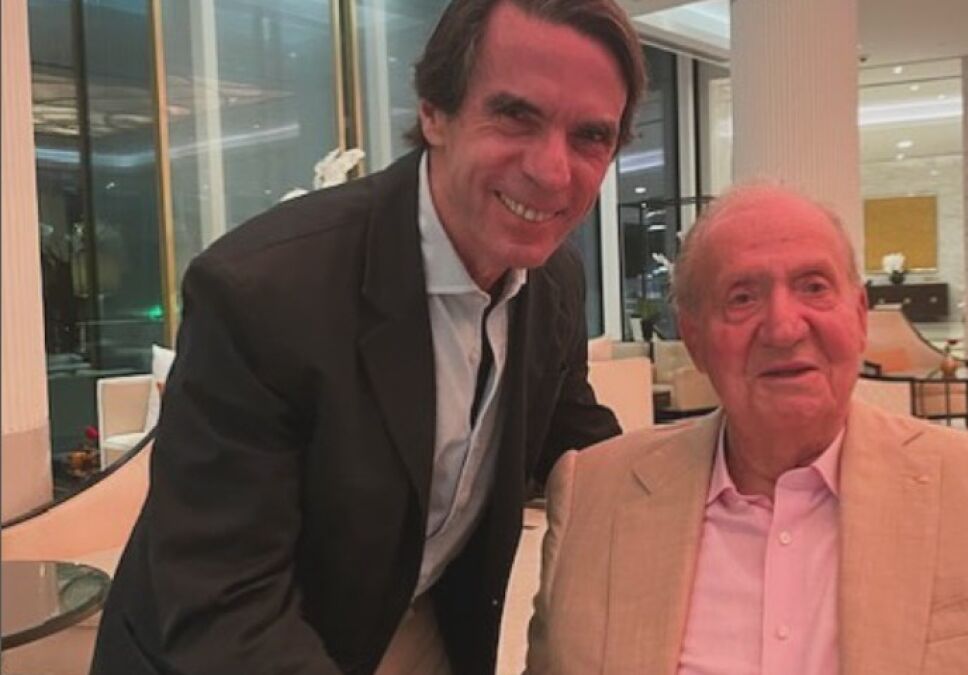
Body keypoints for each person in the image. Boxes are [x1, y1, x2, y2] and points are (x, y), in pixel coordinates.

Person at [92, 1, 644, 673]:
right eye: (516, 116)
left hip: (404, 617)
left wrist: (726, 472)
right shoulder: (261, 294)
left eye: (590, 136)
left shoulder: (552, 280)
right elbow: (224, 605)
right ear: (433, 113)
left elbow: (577, 440)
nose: (553, 171)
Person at [526, 184, 968, 674]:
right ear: (694, 338)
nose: (783, 327)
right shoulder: (592, 494)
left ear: (859, 315)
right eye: (742, 297)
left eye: (814, 287)